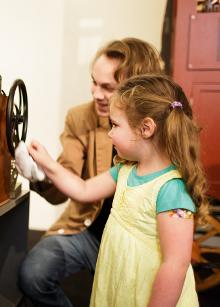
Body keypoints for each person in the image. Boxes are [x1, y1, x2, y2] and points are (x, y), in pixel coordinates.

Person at [27, 74, 209, 306]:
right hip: (120, 282)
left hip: (146, 293)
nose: (109, 133)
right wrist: (48, 164)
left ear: (146, 128)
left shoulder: (171, 190)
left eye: (115, 125)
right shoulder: (124, 171)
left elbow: (175, 265)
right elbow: (82, 190)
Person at [17, 38, 164, 307]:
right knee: (33, 275)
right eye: (94, 82)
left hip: (133, 246)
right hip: (85, 230)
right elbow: (77, 186)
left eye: (108, 87)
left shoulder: (161, 145)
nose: (96, 93)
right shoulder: (80, 119)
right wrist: (41, 172)